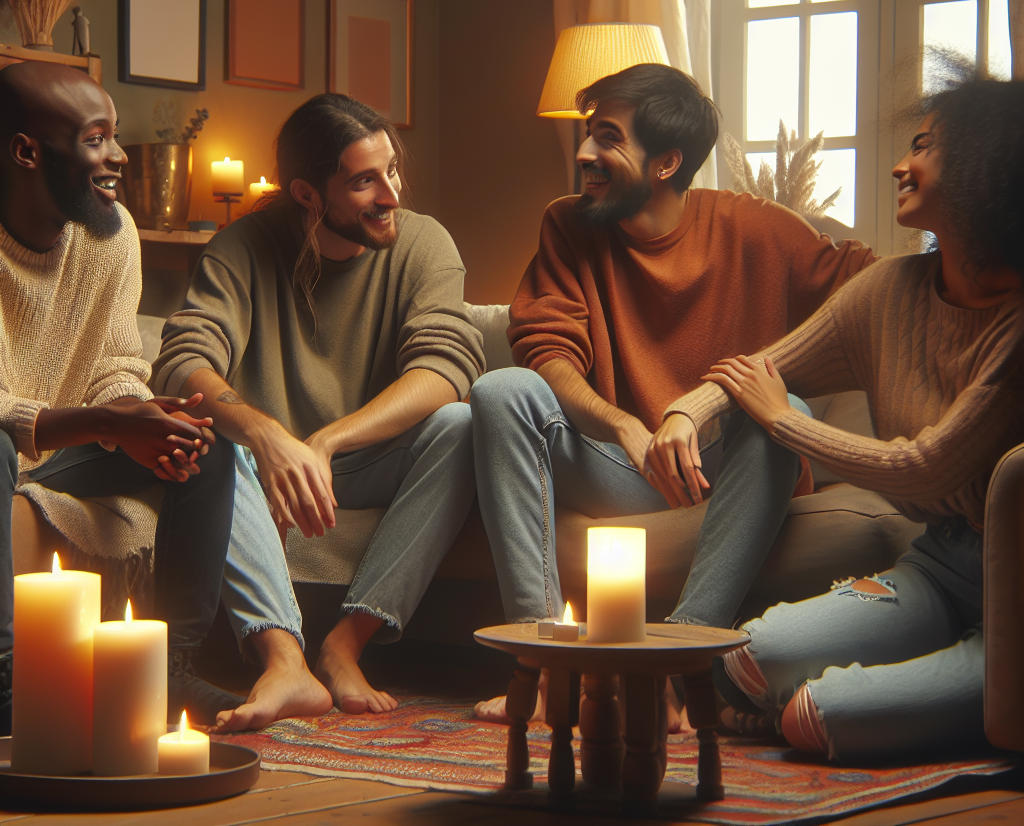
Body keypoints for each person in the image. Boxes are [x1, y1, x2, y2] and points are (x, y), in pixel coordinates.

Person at [470, 63, 875, 722]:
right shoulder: (568, 225)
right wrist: (621, 424)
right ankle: (545, 667)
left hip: (726, 471)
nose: (584, 153)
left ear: (666, 163)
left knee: (786, 413)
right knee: (499, 390)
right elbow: (547, 352)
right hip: (620, 465)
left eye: (607, 137)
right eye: (587, 134)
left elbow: (874, 285)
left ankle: (678, 664)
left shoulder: (756, 229)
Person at [665, 68, 1022, 761]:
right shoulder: (890, 290)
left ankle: (875, 696)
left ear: (985, 166)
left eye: (924, 147)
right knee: (744, 661)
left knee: (815, 718)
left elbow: (926, 468)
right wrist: (687, 411)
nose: (900, 165)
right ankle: (904, 682)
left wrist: (784, 422)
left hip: (1019, 593)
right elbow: (768, 369)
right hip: (942, 564)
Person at [153, 92, 485, 731]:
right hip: (263, 474)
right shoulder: (243, 246)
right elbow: (182, 361)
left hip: (371, 463)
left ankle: (345, 644)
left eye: (392, 170)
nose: (390, 194)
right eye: (364, 182)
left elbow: (446, 369)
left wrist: (326, 442)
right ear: (307, 194)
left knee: (464, 424)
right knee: (208, 435)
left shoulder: (424, 243)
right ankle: (285, 662)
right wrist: (266, 434)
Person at [0, 61, 239, 735]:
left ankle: (169, 668)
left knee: (203, 440)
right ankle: (5, 675)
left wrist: (138, 412)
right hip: (10, 448)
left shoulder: (112, 233)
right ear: (26, 152)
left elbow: (113, 361)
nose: (118, 155)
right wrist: (108, 421)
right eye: (96, 138)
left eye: (114, 135)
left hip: (65, 451)